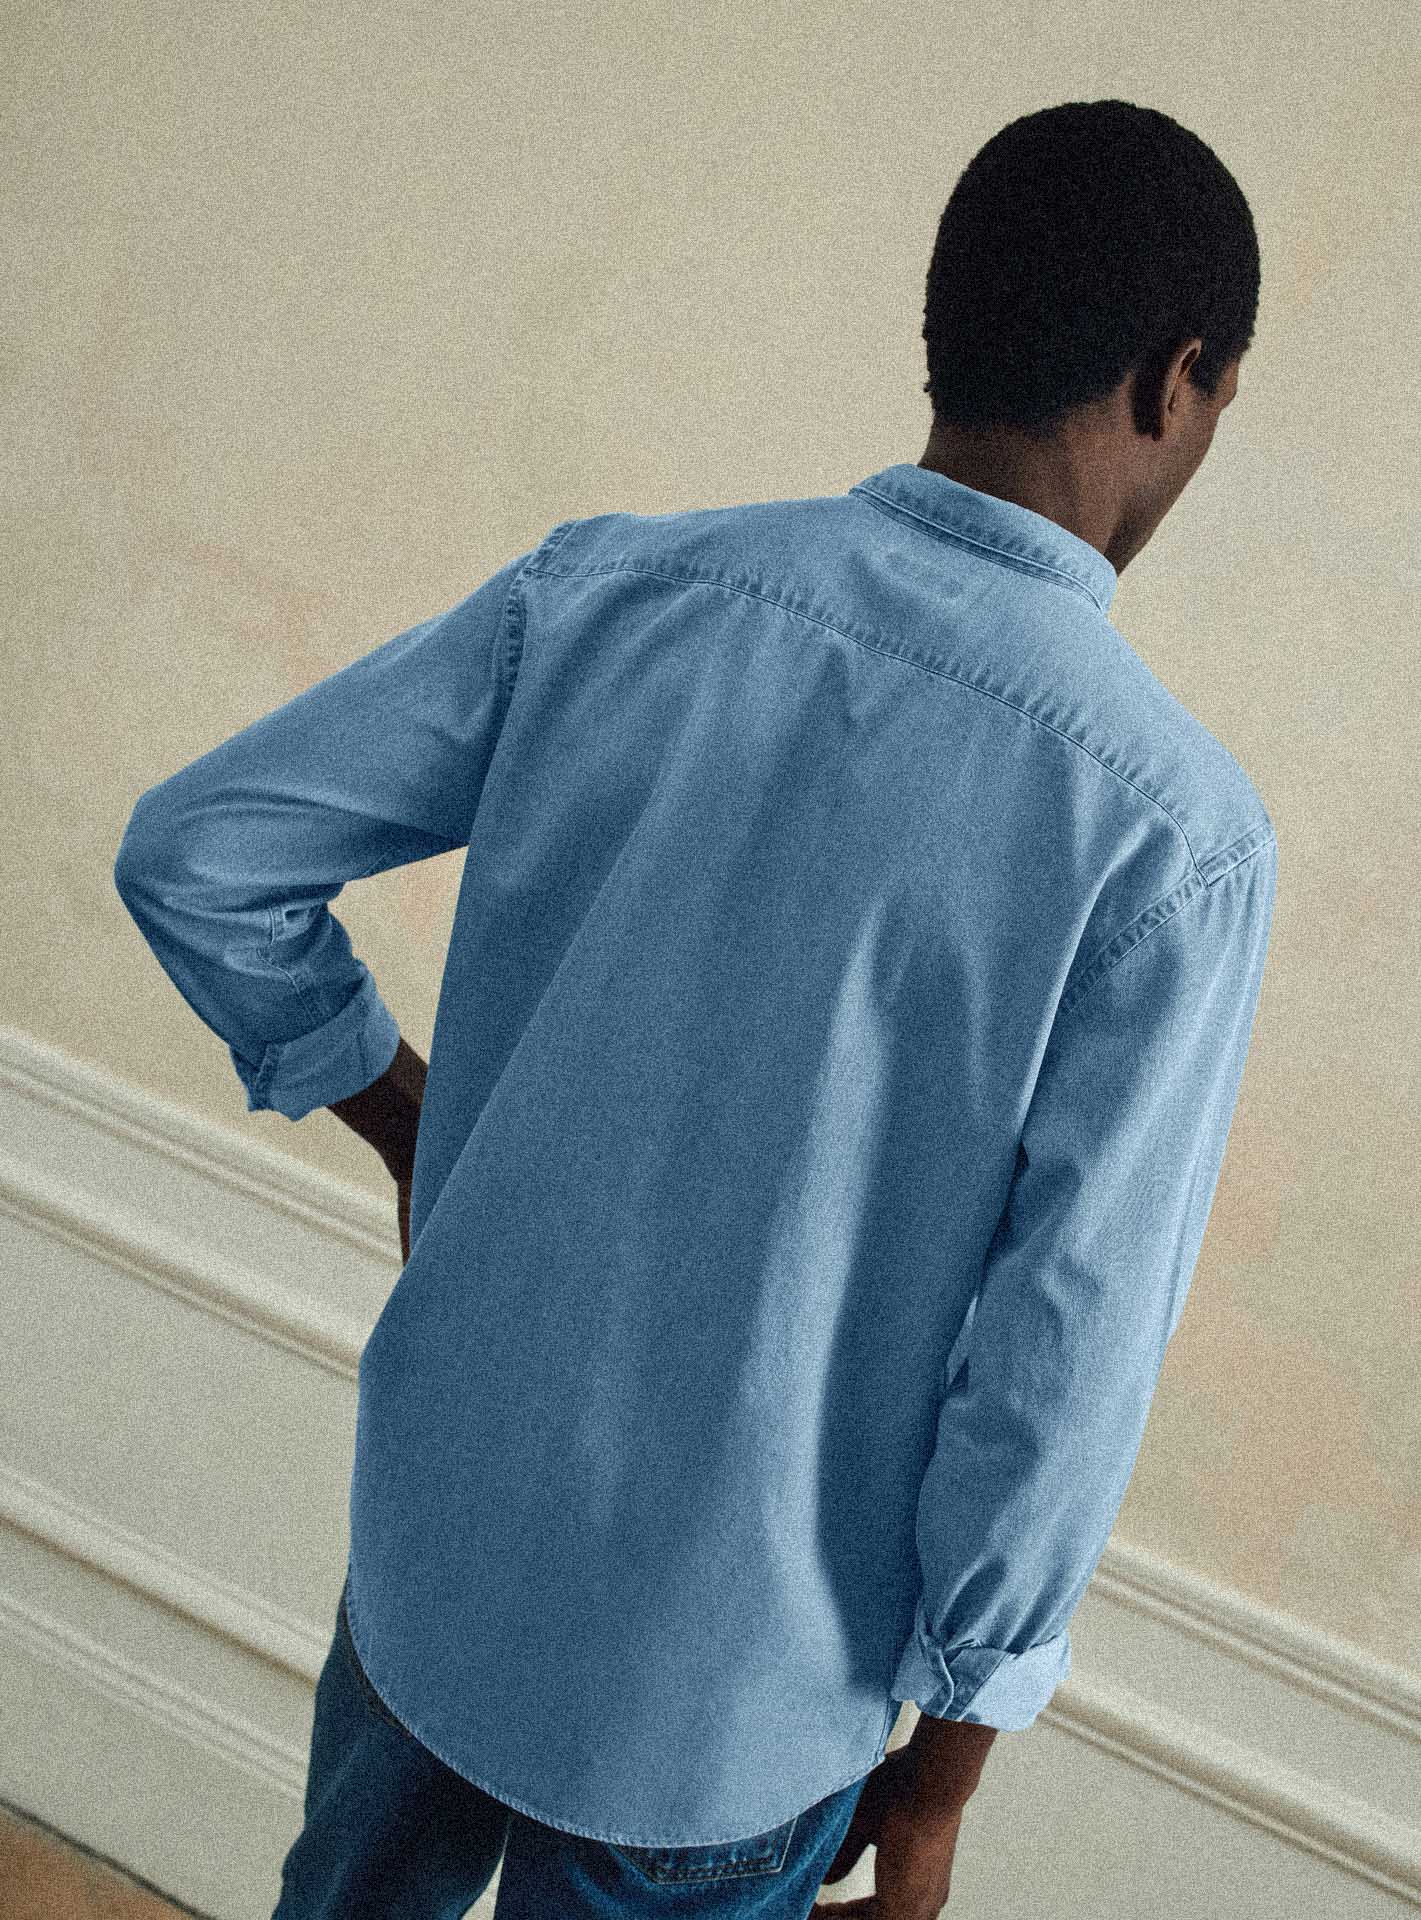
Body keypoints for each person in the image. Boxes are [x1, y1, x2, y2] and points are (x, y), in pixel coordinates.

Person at [113, 96, 1276, 1920]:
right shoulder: (1166, 838)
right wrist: (945, 1776)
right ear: (1175, 380)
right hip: (729, 1695)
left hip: (436, 1562)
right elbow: (1060, 1355)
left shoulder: (607, 592)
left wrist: (401, 1114)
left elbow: (201, 852)